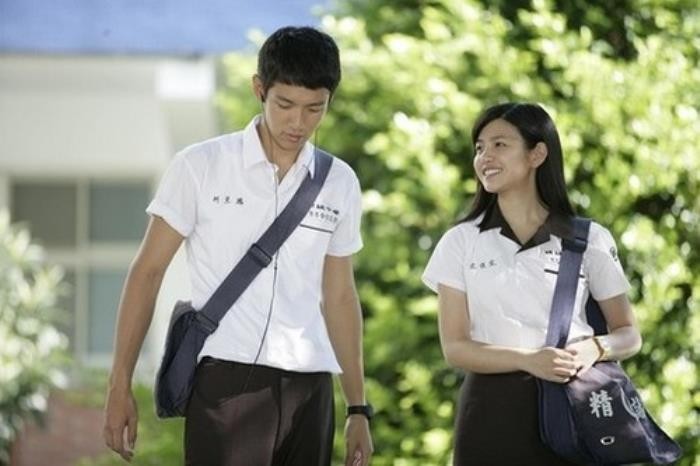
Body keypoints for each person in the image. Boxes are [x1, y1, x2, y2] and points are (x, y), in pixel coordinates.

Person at [103, 26, 373, 466]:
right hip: (226, 385)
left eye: (314, 109)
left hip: (311, 388)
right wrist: (119, 386)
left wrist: (358, 408)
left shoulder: (339, 182)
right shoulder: (201, 166)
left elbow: (340, 296)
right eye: (284, 104)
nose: (298, 123)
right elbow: (147, 272)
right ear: (259, 89)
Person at [422, 102, 642, 465]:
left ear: (537, 154)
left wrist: (595, 349)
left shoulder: (588, 239)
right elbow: (456, 348)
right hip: (489, 411)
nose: (485, 157)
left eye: (499, 145)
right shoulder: (461, 241)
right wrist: (529, 361)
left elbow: (629, 334)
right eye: (479, 148)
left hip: (574, 408)